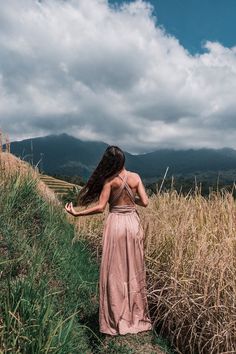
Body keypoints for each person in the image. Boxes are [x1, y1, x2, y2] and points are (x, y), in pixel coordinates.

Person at [65, 145, 152, 336]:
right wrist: (131, 199)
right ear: (123, 161)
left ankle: (116, 316)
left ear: (109, 163)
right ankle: (136, 315)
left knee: (114, 271)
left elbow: (100, 207)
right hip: (133, 224)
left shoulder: (109, 181)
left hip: (116, 225)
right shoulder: (135, 177)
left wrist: (77, 213)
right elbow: (145, 202)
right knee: (135, 270)